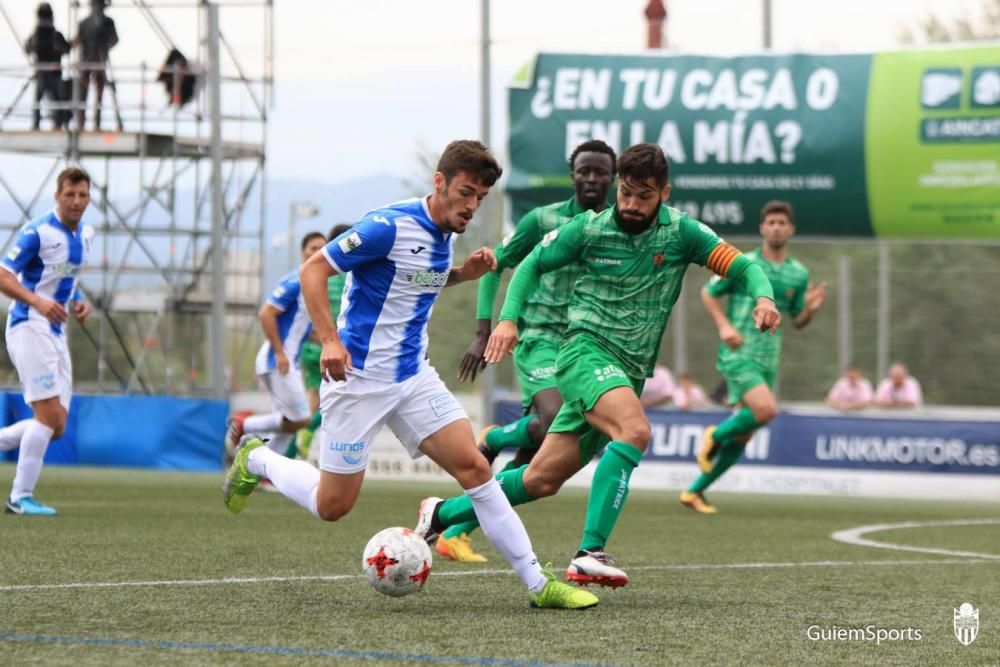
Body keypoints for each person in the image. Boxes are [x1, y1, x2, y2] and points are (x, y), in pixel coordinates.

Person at [223, 140, 597, 610]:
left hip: (412, 378)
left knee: (476, 469)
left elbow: (418, 279)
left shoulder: (446, 232)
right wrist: (331, 341)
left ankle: (539, 585)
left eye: (480, 198)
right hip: (358, 382)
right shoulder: (387, 226)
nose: (471, 205)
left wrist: (464, 273)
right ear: (439, 182)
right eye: (465, 192)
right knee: (332, 506)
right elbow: (313, 270)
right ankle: (257, 457)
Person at [414, 143, 780, 588]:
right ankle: (590, 552)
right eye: (625, 193)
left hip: (629, 371)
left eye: (642, 196)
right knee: (635, 431)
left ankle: (441, 513)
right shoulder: (588, 229)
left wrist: (763, 297)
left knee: (539, 479)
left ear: (664, 193)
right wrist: (506, 320)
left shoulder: (683, 234)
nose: (629, 204)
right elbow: (528, 265)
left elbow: (741, 267)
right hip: (584, 353)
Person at [445, 139, 616, 562]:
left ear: (612, 178)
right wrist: (485, 330)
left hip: (583, 348)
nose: (592, 179)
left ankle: (456, 530)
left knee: (537, 458)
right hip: (538, 341)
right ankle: (497, 435)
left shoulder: (616, 227)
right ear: (572, 174)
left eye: (601, 172)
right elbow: (494, 264)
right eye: (584, 171)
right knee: (557, 421)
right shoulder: (544, 220)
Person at [681, 200, 826, 515]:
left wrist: (809, 311)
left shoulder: (797, 274)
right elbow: (708, 292)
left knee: (743, 436)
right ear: (762, 228)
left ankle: (694, 492)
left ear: (791, 229)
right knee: (766, 409)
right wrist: (724, 326)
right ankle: (714, 435)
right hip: (738, 352)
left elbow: (797, 320)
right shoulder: (743, 263)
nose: (776, 227)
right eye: (771, 222)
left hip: (769, 359)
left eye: (781, 223)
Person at [0, 167, 94, 515]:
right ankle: (19, 497)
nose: (76, 201)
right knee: (47, 414)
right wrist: (36, 301)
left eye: (82, 195)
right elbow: (3, 275)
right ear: (57, 196)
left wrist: (80, 300)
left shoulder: (86, 235)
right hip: (28, 325)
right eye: (69, 194)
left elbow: (64, 276)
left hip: (56, 332)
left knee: (56, 427)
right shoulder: (37, 232)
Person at [225, 232, 327, 464]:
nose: (317, 252)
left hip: (288, 361)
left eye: (322, 248)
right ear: (303, 252)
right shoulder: (296, 280)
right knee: (301, 419)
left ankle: (263, 470)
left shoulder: (314, 284)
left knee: (289, 423)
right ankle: (243, 424)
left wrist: (333, 343)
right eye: (313, 247)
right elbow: (266, 313)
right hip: (278, 361)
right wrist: (279, 352)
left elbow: (306, 330)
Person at [296, 223, 353, 463]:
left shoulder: (314, 273)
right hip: (327, 348)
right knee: (329, 407)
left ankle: (298, 456)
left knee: (314, 407)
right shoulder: (342, 275)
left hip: (310, 348)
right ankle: (301, 449)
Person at [24, 3, 70, 131]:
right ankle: (36, 123)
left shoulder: (55, 35)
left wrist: (59, 47)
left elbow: (66, 49)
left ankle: (58, 123)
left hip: (54, 74)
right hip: (41, 73)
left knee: (57, 101)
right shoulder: (36, 35)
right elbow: (27, 48)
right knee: (38, 101)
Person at [74, 0, 118, 131]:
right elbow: (78, 41)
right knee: (83, 92)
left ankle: (97, 121)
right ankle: (81, 121)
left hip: (100, 60)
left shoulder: (108, 22)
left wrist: (105, 49)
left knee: (100, 92)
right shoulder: (83, 23)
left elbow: (115, 39)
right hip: (86, 60)